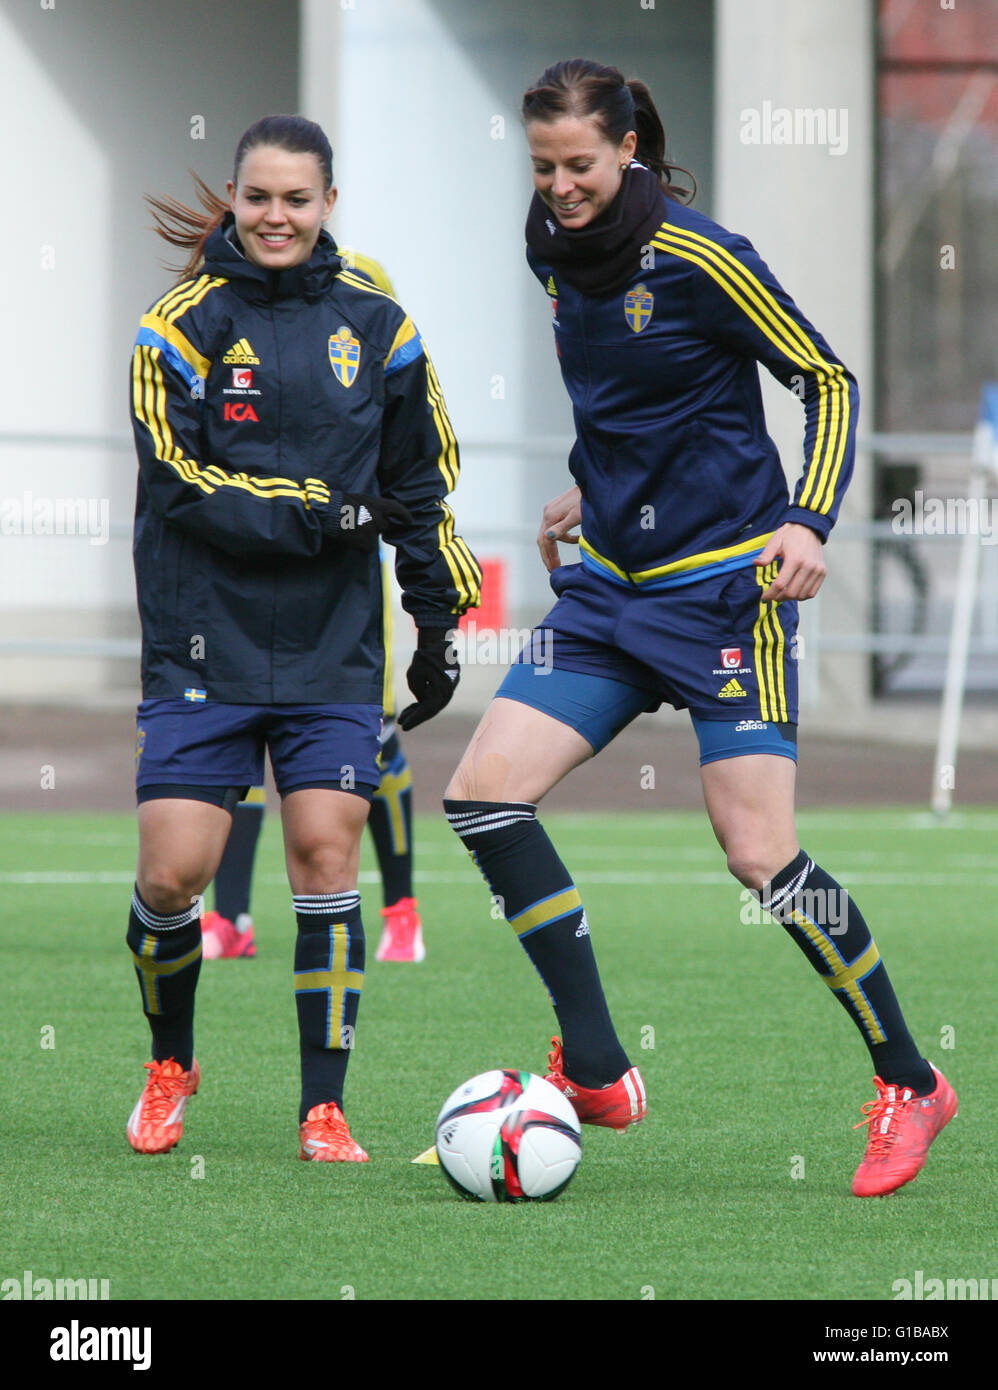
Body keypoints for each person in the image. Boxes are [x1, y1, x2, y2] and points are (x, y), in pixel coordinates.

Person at [444, 60, 956, 1198]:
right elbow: (616, 397)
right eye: (542, 166)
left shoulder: (701, 253)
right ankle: (594, 1065)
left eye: (579, 165)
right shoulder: (544, 242)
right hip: (610, 586)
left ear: (626, 148)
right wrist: (594, 483)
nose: (560, 187)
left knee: (759, 855)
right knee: (482, 794)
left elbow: (824, 378)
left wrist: (808, 520)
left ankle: (909, 1080)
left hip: (727, 587)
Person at [127, 114, 480, 1163]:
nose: (275, 216)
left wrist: (435, 615)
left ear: (329, 204)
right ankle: (170, 1062)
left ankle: (323, 1108)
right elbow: (175, 481)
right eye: (258, 198)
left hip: (332, 646)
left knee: (325, 851)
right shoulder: (176, 326)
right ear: (234, 201)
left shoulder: (378, 324)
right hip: (203, 644)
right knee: (172, 879)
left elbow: (419, 480)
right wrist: (311, 510)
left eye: (296, 198)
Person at [201, 549, 426, 965]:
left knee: (375, 735)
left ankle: (401, 913)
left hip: (346, 573)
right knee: (239, 732)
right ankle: (232, 919)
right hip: (250, 566)